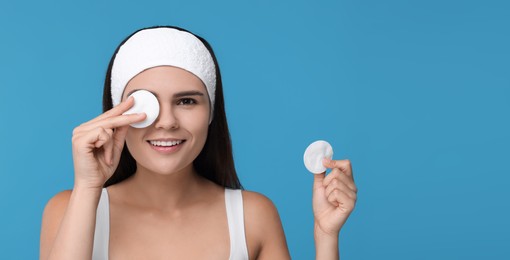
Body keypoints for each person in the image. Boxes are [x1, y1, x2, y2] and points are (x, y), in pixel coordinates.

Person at [40, 26, 358, 260]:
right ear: (115, 115)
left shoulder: (253, 217)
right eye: (144, 103)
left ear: (211, 113)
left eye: (187, 101)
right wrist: (87, 187)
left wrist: (326, 237)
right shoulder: (70, 209)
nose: (166, 121)